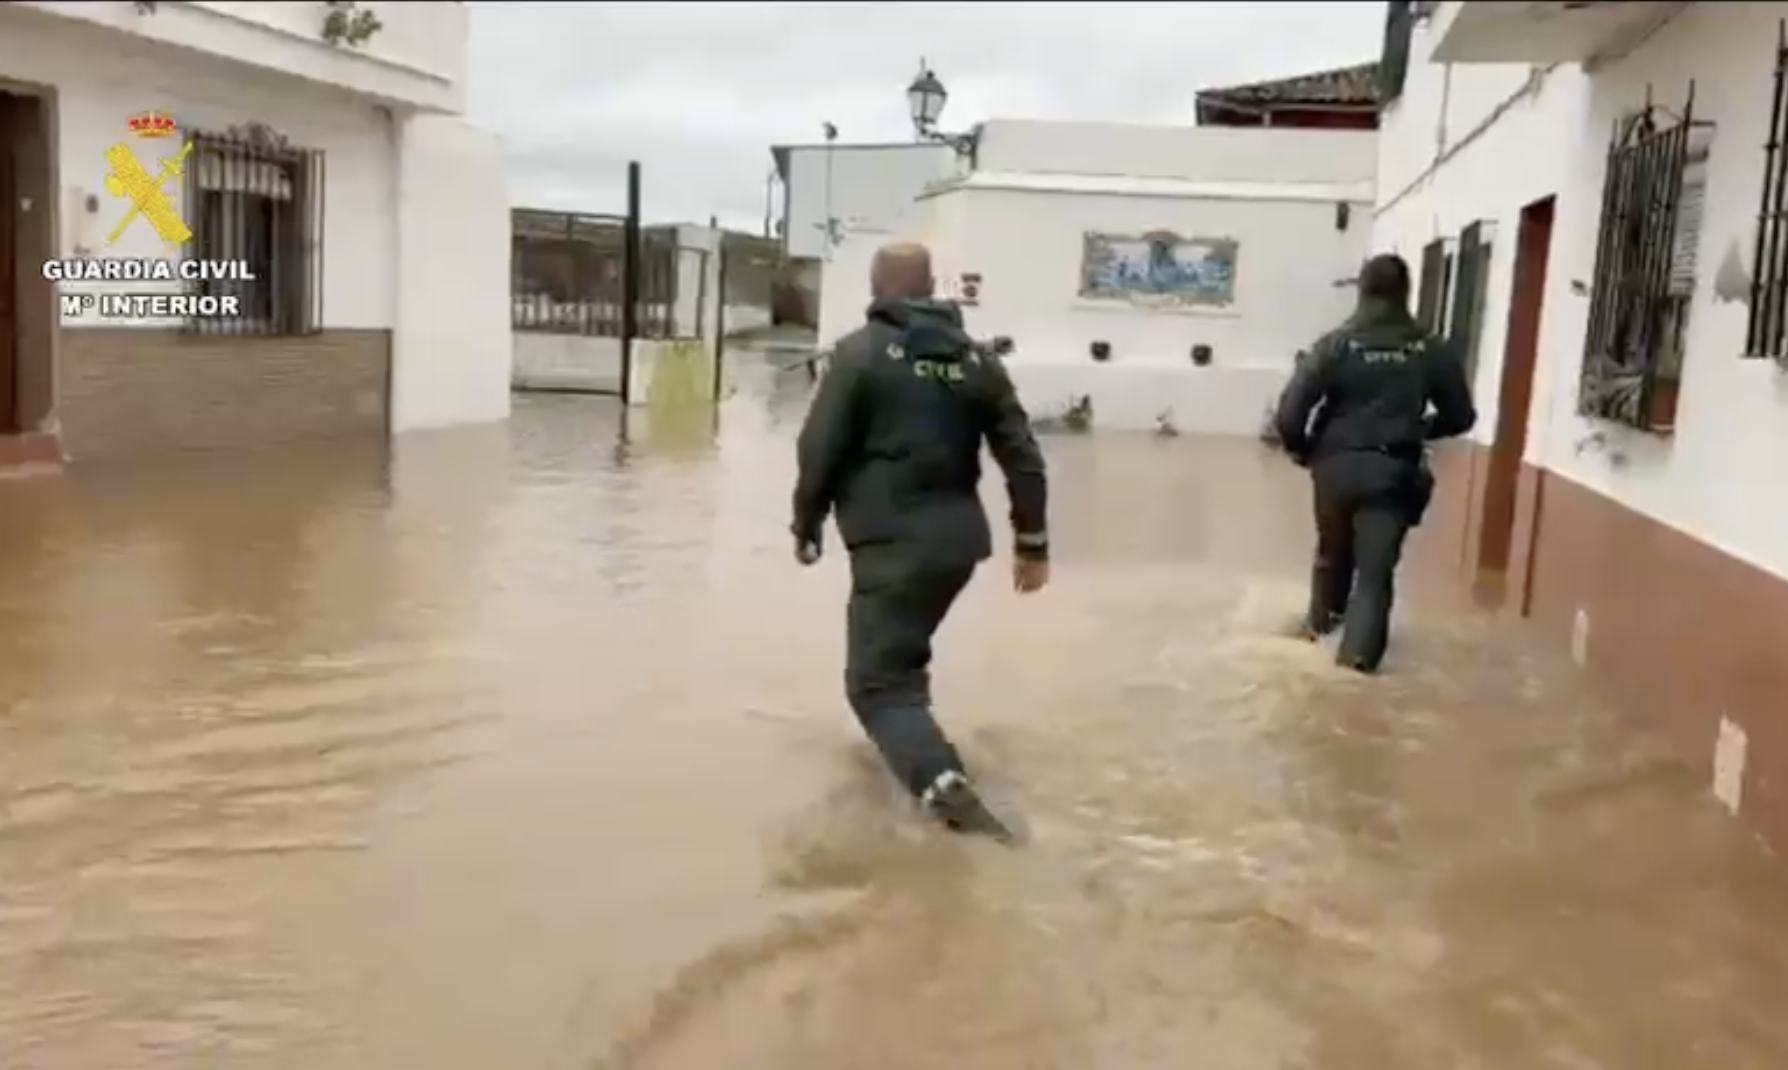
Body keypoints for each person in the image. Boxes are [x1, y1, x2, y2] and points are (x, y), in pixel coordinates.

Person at [790, 242, 1050, 841]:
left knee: (874, 685)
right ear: (930, 287)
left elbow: (816, 450)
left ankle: (941, 783)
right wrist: (1032, 543)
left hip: (890, 545)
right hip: (957, 548)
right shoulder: (977, 361)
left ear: (877, 289)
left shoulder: (859, 356)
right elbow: (1023, 458)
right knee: (902, 659)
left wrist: (806, 524)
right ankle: (915, 746)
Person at [1272, 253, 1476, 674]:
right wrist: (1419, 429)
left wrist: (1303, 449)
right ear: (1407, 293)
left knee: (1331, 556)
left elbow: (1290, 413)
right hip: (1393, 470)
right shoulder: (1429, 348)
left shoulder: (1335, 344)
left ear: (1362, 290)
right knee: (1374, 575)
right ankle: (1354, 673)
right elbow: (1461, 416)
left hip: (1334, 468)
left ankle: (1316, 633)